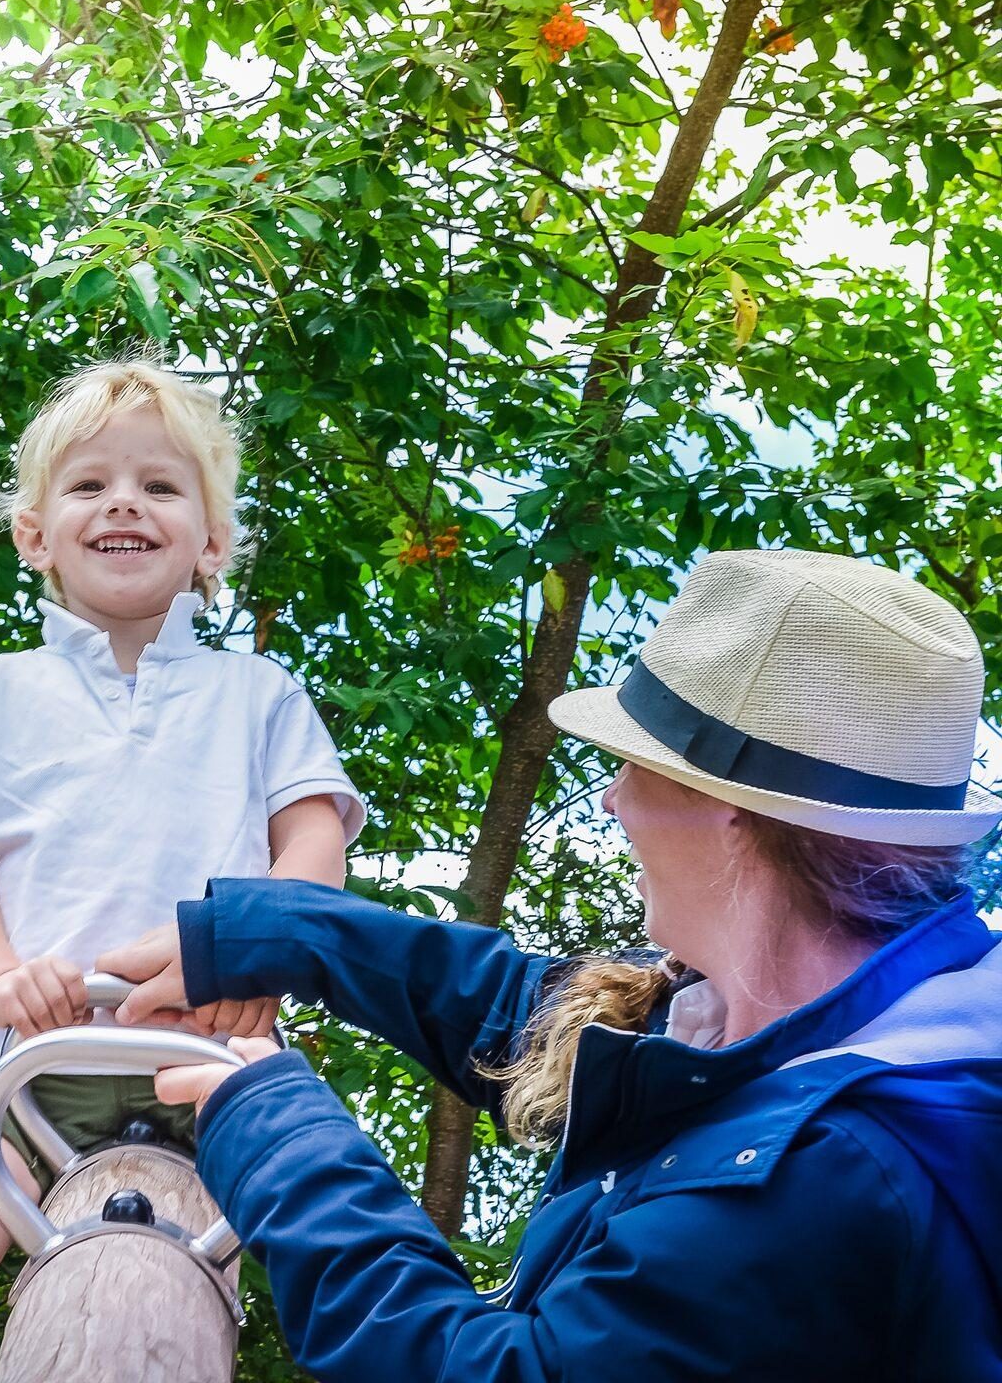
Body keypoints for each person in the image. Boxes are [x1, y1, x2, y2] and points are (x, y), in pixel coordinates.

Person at [104, 548, 1002, 1381]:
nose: (612, 798)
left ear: (729, 812)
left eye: (635, 768)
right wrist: (277, 934)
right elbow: (531, 1015)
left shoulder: (828, 1175)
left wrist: (279, 1136)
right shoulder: (815, 1014)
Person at [0, 358, 365, 1383]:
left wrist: (260, 958)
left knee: (358, 1276)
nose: (124, 503)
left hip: (213, 1057)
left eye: (159, 485)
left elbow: (315, 840)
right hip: (23, 1063)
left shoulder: (259, 694)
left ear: (211, 541)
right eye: (90, 485)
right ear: (34, 534)